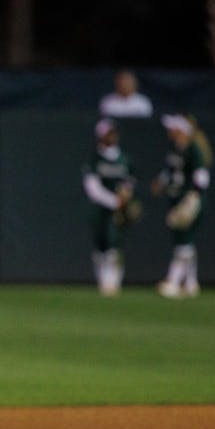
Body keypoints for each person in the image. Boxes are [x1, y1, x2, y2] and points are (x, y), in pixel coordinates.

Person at [151, 114, 212, 298]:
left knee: (183, 241)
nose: (169, 131)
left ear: (182, 130)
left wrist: (194, 198)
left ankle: (173, 281)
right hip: (176, 198)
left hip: (189, 199)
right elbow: (169, 171)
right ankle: (191, 283)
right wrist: (160, 183)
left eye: (173, 128)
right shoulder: (175, 149)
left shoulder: (193, 149)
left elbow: (201, 176)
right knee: (186, 242)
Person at [81, 118, 140, 296]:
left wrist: (125, 197)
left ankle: (113, 281)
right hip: (100, 208)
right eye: (108, 133)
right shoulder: (94, 158)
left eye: (114, 133)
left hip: (117, 210)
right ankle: (102, 279)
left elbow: (129, 182)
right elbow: (92, 188)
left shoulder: (124, 158)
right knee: (100, 246)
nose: (112, 136)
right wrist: (115, 201)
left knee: (114, 244)